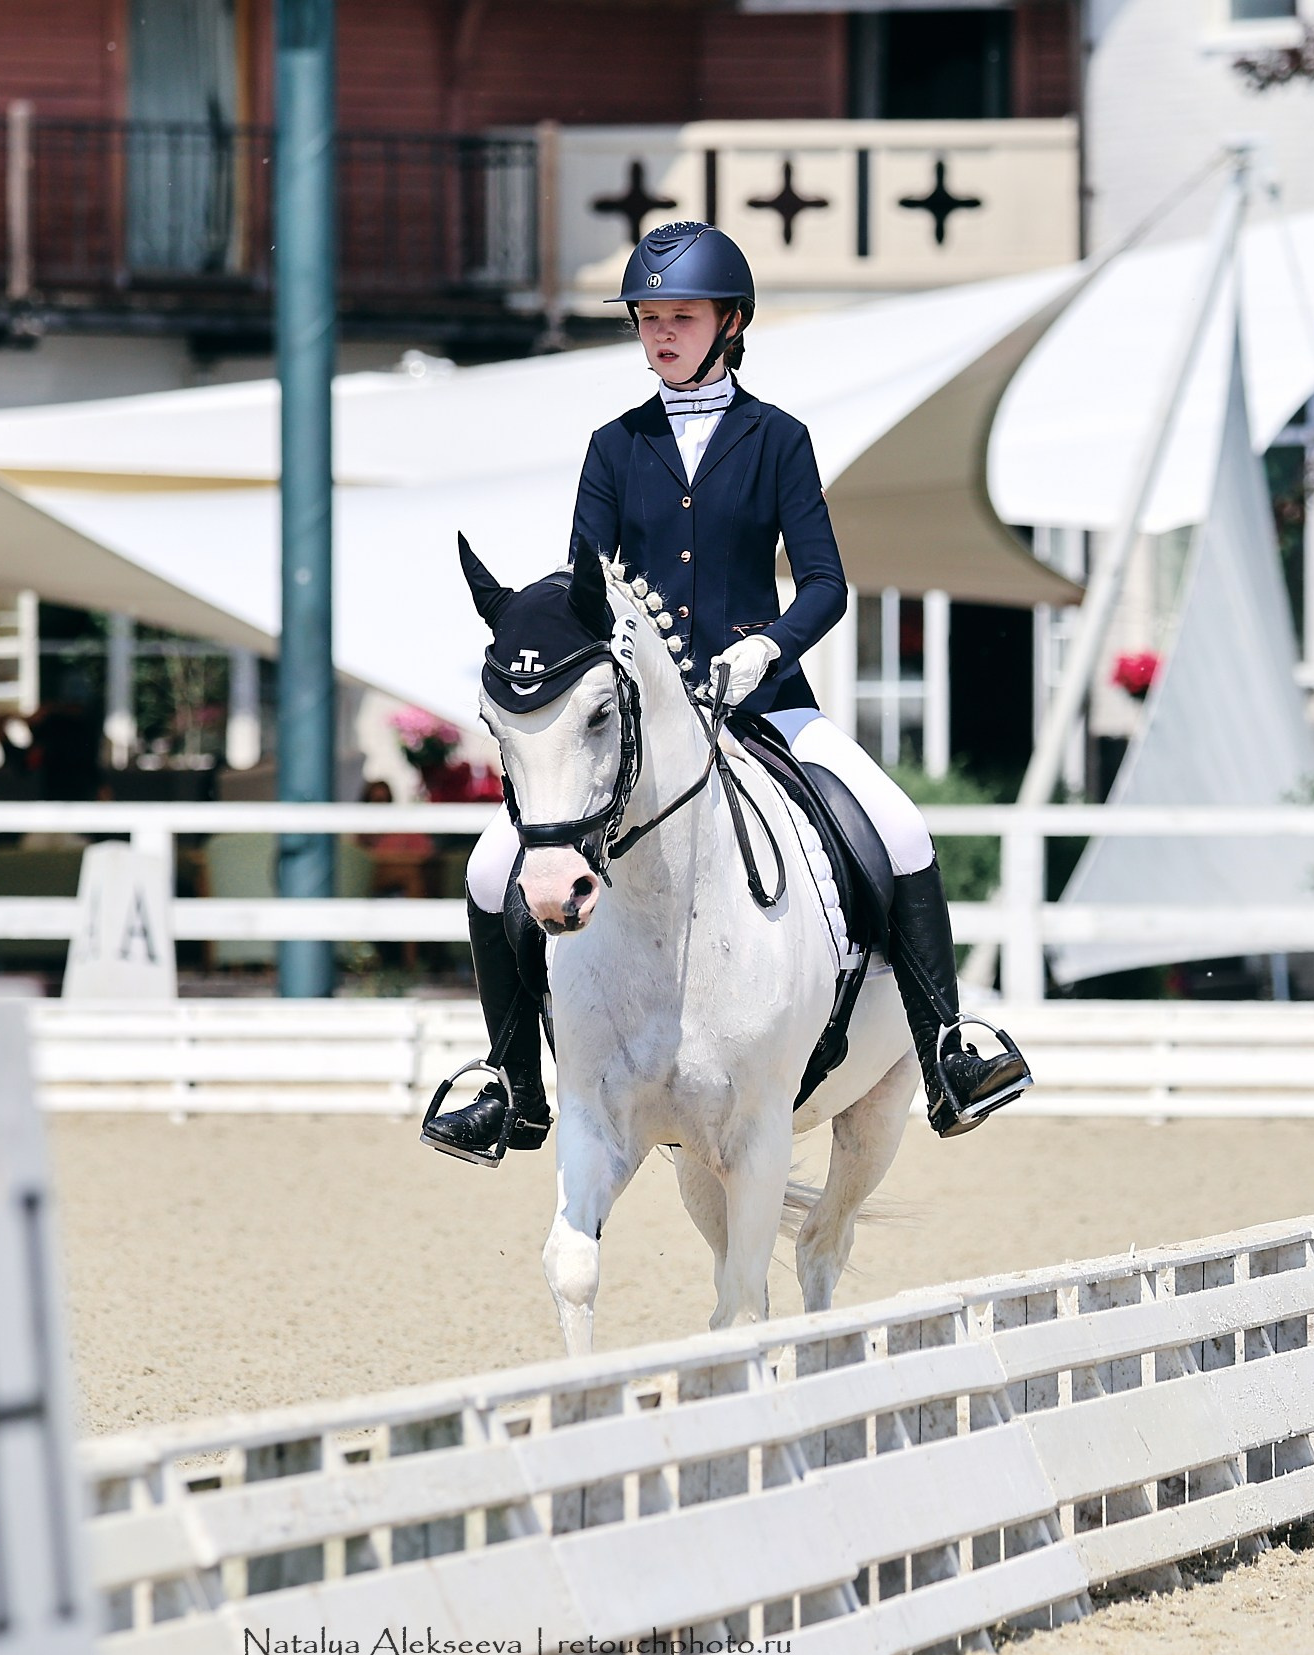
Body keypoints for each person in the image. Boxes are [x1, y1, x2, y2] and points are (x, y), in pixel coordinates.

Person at [421, 220, 1029, 1167]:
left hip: (766, 704)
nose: (659, 334)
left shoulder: (777, 439)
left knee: (900, 827)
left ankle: (948, 1047)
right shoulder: (614, 446)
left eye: (680, 317)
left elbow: (825, 582)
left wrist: (766, 647)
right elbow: (589, 588)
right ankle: (510, 1083)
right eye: (647, 319)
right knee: (493, 865)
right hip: (644, 728)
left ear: (729, 322)